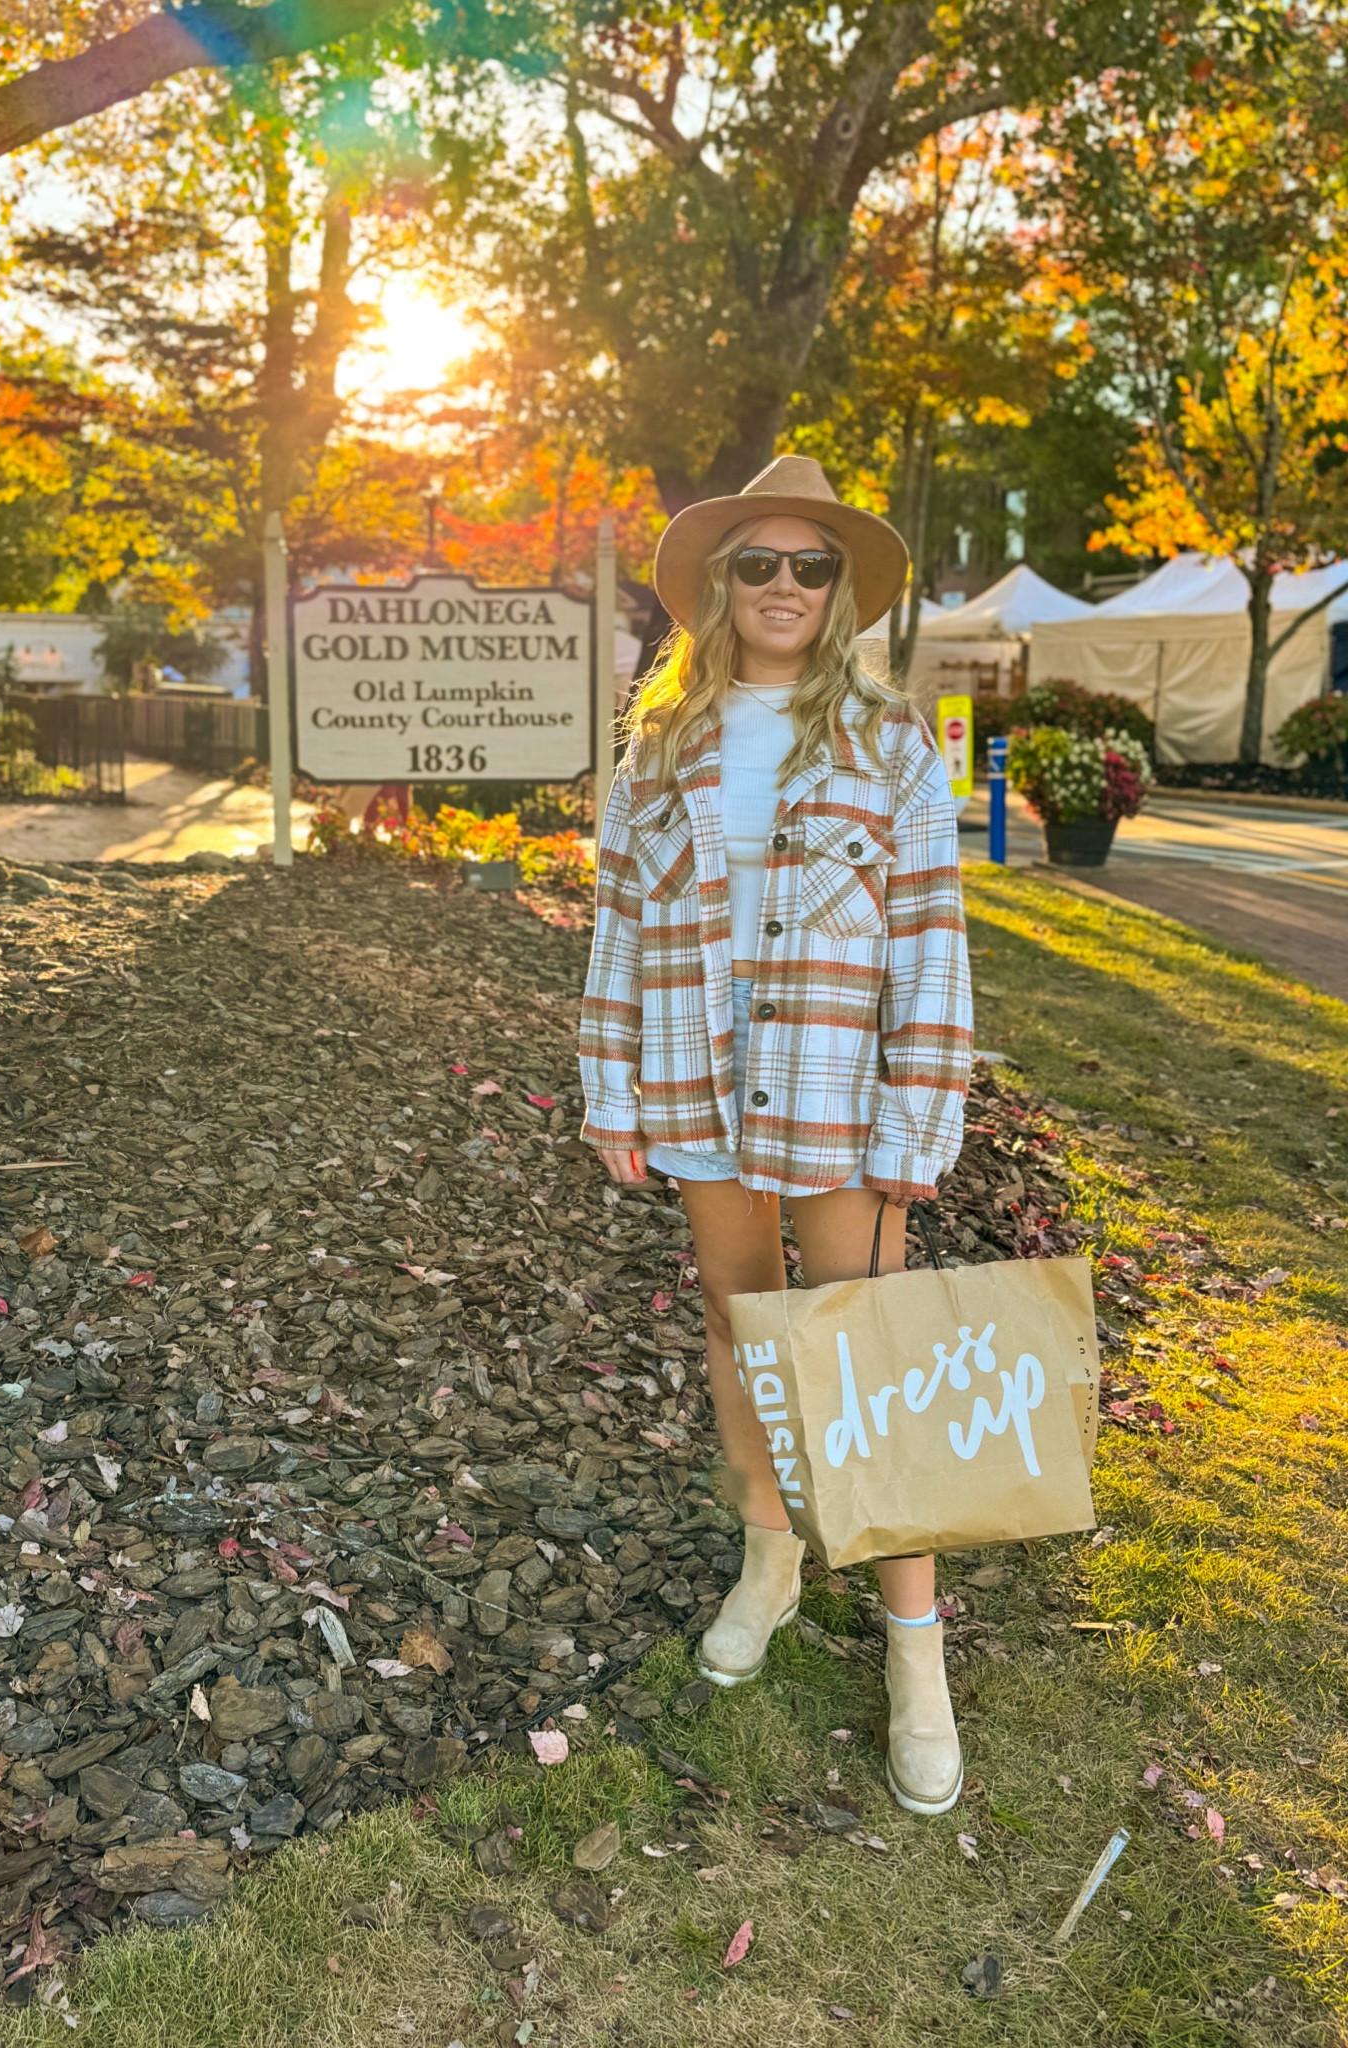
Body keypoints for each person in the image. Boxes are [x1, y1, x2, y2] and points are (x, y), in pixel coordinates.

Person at [578, 455, 973, 1816]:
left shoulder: (891, 746)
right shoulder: (661, 745)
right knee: (742, 1329)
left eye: (811, 567)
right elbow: (621, 926)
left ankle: (917, 1650)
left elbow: (930, 945)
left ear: (839, 590)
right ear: (720, 587)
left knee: (873, 1354)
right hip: (698, 1083)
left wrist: (917, 1122)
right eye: (762, 565)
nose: (787, 587)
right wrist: (611, 1086)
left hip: (841, 1094)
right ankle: (771, 1558)